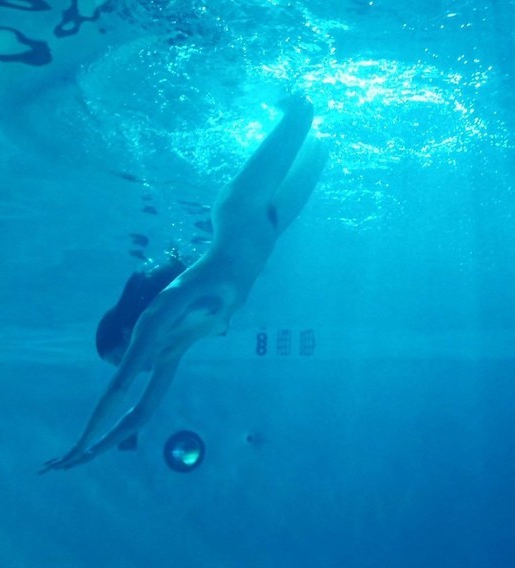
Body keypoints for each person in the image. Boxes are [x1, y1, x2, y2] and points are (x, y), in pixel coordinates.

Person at [41, 95, 328, 473]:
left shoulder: (158, 314)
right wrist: (92, 454)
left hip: (240, 210)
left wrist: (80, 444)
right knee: (324, 142)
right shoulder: (175, 347)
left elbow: (120, 389)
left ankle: (254, 83)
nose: (132, 366)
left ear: (127, 333)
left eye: (121, 357)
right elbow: (142, 412)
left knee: (300, 112)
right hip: (272, 228)